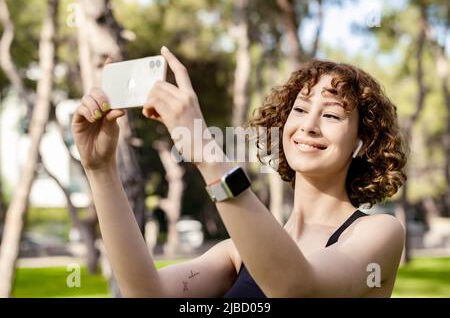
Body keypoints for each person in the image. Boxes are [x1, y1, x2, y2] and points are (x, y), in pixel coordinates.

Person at [71, 46, 408, 298]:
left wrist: (205, 150)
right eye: (301, 109)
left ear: (362, 143)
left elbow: (295, 288)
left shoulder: (379, 233)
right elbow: (147, 293)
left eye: (331, 115)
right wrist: (101, 170)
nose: (308, 125)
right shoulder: (238, 251)